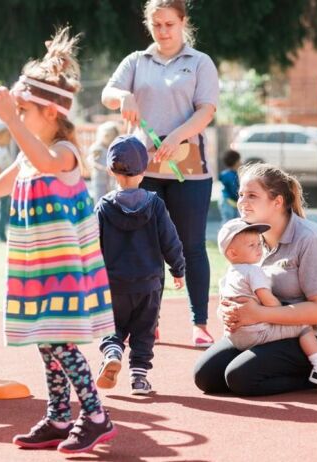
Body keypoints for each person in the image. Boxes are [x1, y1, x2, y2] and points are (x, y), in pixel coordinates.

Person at [0, 28, 117, 454]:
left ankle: (94, 415)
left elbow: (45, 160)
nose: (12, 117)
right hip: (37, 265)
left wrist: (12, 120)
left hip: (64, 268)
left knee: (58, 340)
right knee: (43, 339)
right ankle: (57, 415)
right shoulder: (26, 154)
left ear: (51, 113)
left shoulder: (65, 151)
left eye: (22, 110)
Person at [101, 0, 219, 348]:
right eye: (157, 25)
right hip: (142, 168)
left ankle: (200, 323)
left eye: (169, 24)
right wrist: (123, 96)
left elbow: (206, 111)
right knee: (147, 248)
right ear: (149, 25)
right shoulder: (137, 61)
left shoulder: (200, 63)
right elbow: (108, 93)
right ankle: (148, 323)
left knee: (191, 246)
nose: (164, 31)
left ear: (183, 22)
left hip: (188, 168)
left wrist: (177, 135)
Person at [193, 163, 317, 396]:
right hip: (264, 327)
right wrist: (228, 312)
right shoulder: (250, 239)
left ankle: (316, 375)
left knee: (240, 378)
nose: (243, 202)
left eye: (252, 195)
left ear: (277, 201)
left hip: (312, 335)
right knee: (205, 376)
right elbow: (239, 286)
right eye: (241, 194)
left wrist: (257, 314)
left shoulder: (312, 239)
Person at [95, 135, 185, 396]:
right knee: (144, 331)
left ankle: (112, 350)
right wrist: (178, 268)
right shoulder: (155, 204)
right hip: (149, 284)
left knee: (113, 326)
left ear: (112, 171)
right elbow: (170, 240)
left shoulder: (103, 206)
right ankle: (139, 378)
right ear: (144, 170)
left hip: (114, 284)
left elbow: (91, 244)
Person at [217, 218, 317, 388]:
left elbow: (223, 302)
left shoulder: (227, 275)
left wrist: (227, 314)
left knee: (230, 376)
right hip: (258, 333)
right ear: (233, 253)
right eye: (252, 245)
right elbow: (267, 299)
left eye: (258, 244)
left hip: (235, 335)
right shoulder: (252, 271)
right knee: (304, 328)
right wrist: (278, 310)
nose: (258, 249)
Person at [88, 121, 121, 200]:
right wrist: (103, 168)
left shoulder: (114, 147)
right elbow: (91, 161)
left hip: (112, 179)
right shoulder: (97, 148)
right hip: (99, 178)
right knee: (99, 198)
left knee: (112, 198)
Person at [218, 149, 241, 222]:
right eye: (239, 160)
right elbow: (234, 189)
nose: (241, 162)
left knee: (233, 222)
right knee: (228, 222)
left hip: (231, 201)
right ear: (236, 162)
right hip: (228, 201)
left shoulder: (233, 173)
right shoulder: (229, 175)